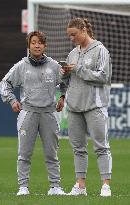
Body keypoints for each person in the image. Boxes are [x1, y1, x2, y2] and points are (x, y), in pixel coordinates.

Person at [0, 31, 66, 196]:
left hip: (49, 114)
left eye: (40, 43)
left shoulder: (54, 65)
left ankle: (55, 187)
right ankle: (23, 187)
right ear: (28, 45)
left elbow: (66, 82)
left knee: (52, 152)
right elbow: (5, 83)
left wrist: (63, 97)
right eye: (34, 42)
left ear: (45, 46)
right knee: (25, 153)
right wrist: (12, 100)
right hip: (28, 113)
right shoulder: (21, 66)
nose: (37, 45)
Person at [61, 18, 112, 197]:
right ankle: (80, 185)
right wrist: (64, 74)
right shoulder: (72, 53)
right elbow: (68, 80)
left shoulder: (100, 50)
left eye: (74, 35)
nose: (72, 38)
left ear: (83, 30)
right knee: (78, 148)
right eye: (69, 36)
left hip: (95, 106)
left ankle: (105, 185)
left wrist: (79, 69)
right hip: (74, 106)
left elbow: (104, 76)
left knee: (101, 147)